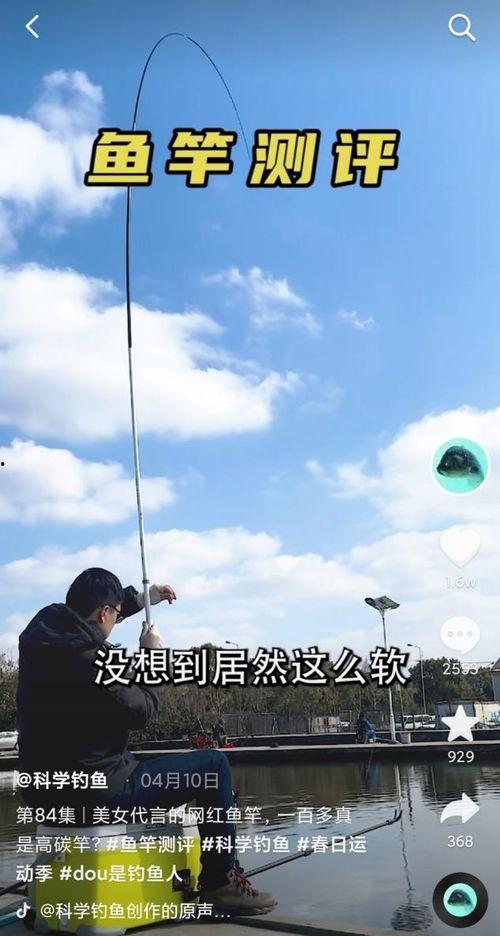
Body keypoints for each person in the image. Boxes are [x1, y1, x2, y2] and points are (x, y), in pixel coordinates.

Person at [17, 567, 276, 916]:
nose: (115, 621)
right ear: (104, 613)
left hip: (43, 796)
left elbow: (92, 618)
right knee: (214, 766)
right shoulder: (95, 664)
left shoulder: (40, 641)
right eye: (115, 615)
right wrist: (153, 657)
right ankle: (221, 883)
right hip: (95, 796)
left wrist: (142, 599)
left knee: (125, 756)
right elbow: (143, 712)